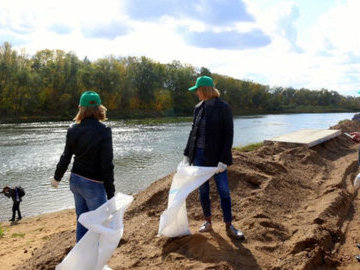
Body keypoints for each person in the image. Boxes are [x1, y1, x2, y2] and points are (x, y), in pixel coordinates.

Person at [183, 75, 245, 240]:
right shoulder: (198, 108)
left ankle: (229, 225)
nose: (196, 93)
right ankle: (208, 222)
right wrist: (186, 154)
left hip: (216, 158)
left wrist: (223, 160)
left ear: (204, 90)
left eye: (197, 90)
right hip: (198, 156)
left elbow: (228, 135)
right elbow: (193, 132)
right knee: (203, 191)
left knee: (224, 191)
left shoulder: (223, 107)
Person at [49, 91, 115, 242]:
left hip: (76, 181)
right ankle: (95, 263)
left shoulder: (73, 129)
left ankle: (82, 261)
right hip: (94, 184)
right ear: (99, 108)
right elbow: (107, 165)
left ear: (81, 109)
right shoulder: (104, 131)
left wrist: (57, 178)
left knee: (82, 222)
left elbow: (66, 157)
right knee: (100, 225)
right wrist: (111, 194)